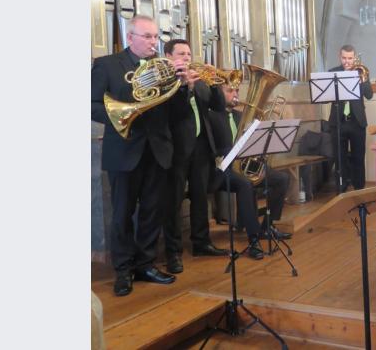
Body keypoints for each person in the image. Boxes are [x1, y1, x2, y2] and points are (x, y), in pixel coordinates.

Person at [91, 15, 191, 296]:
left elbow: (177, 115)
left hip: (157, 150)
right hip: (123, 148)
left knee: (151, 212)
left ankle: (145, 264)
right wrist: (124, 113)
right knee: (122, 213)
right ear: (130, 37)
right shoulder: (107, 65)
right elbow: (91, 104)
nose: (153, 42)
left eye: (156, 37)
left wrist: (184, 88)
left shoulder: (166, 69)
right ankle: (123, 270)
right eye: (147, 36)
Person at [162, 39, 228, 275]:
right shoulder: (163, 81)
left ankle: (201, 243)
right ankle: (173, 252)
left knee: (201, 197)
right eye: (181, 53)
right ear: (168, 56)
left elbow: (219, 107)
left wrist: (214, 83)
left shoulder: (199, 80)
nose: (187, 58)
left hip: (201, 146)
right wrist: (184, 87)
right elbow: (172, 114)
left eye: (189, 53)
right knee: (174, 202)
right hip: (176, 149)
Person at [209, 83, 292, 259]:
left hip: (244, 167)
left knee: (282, 179)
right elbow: (210, 149)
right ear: (219, 94)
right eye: (229, 91)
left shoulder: (241, 116)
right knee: (246, 184)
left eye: (237, 91)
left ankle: (266, 227)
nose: (235, 94)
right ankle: (253, 238)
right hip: (223, 170)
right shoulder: (212, 117)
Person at [328, 45, 373, 192]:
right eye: (344, 58)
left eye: (350, 58)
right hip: (338, 122)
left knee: (358, 158)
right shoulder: (333, 73)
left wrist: (363, 81)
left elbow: (369, 95)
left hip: (357, 121)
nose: (347, 62)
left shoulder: (361, 72)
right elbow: (327, 96)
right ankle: (341, 189)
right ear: (339, 57)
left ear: (354, 58)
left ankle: (359, 188)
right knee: (339, 159)